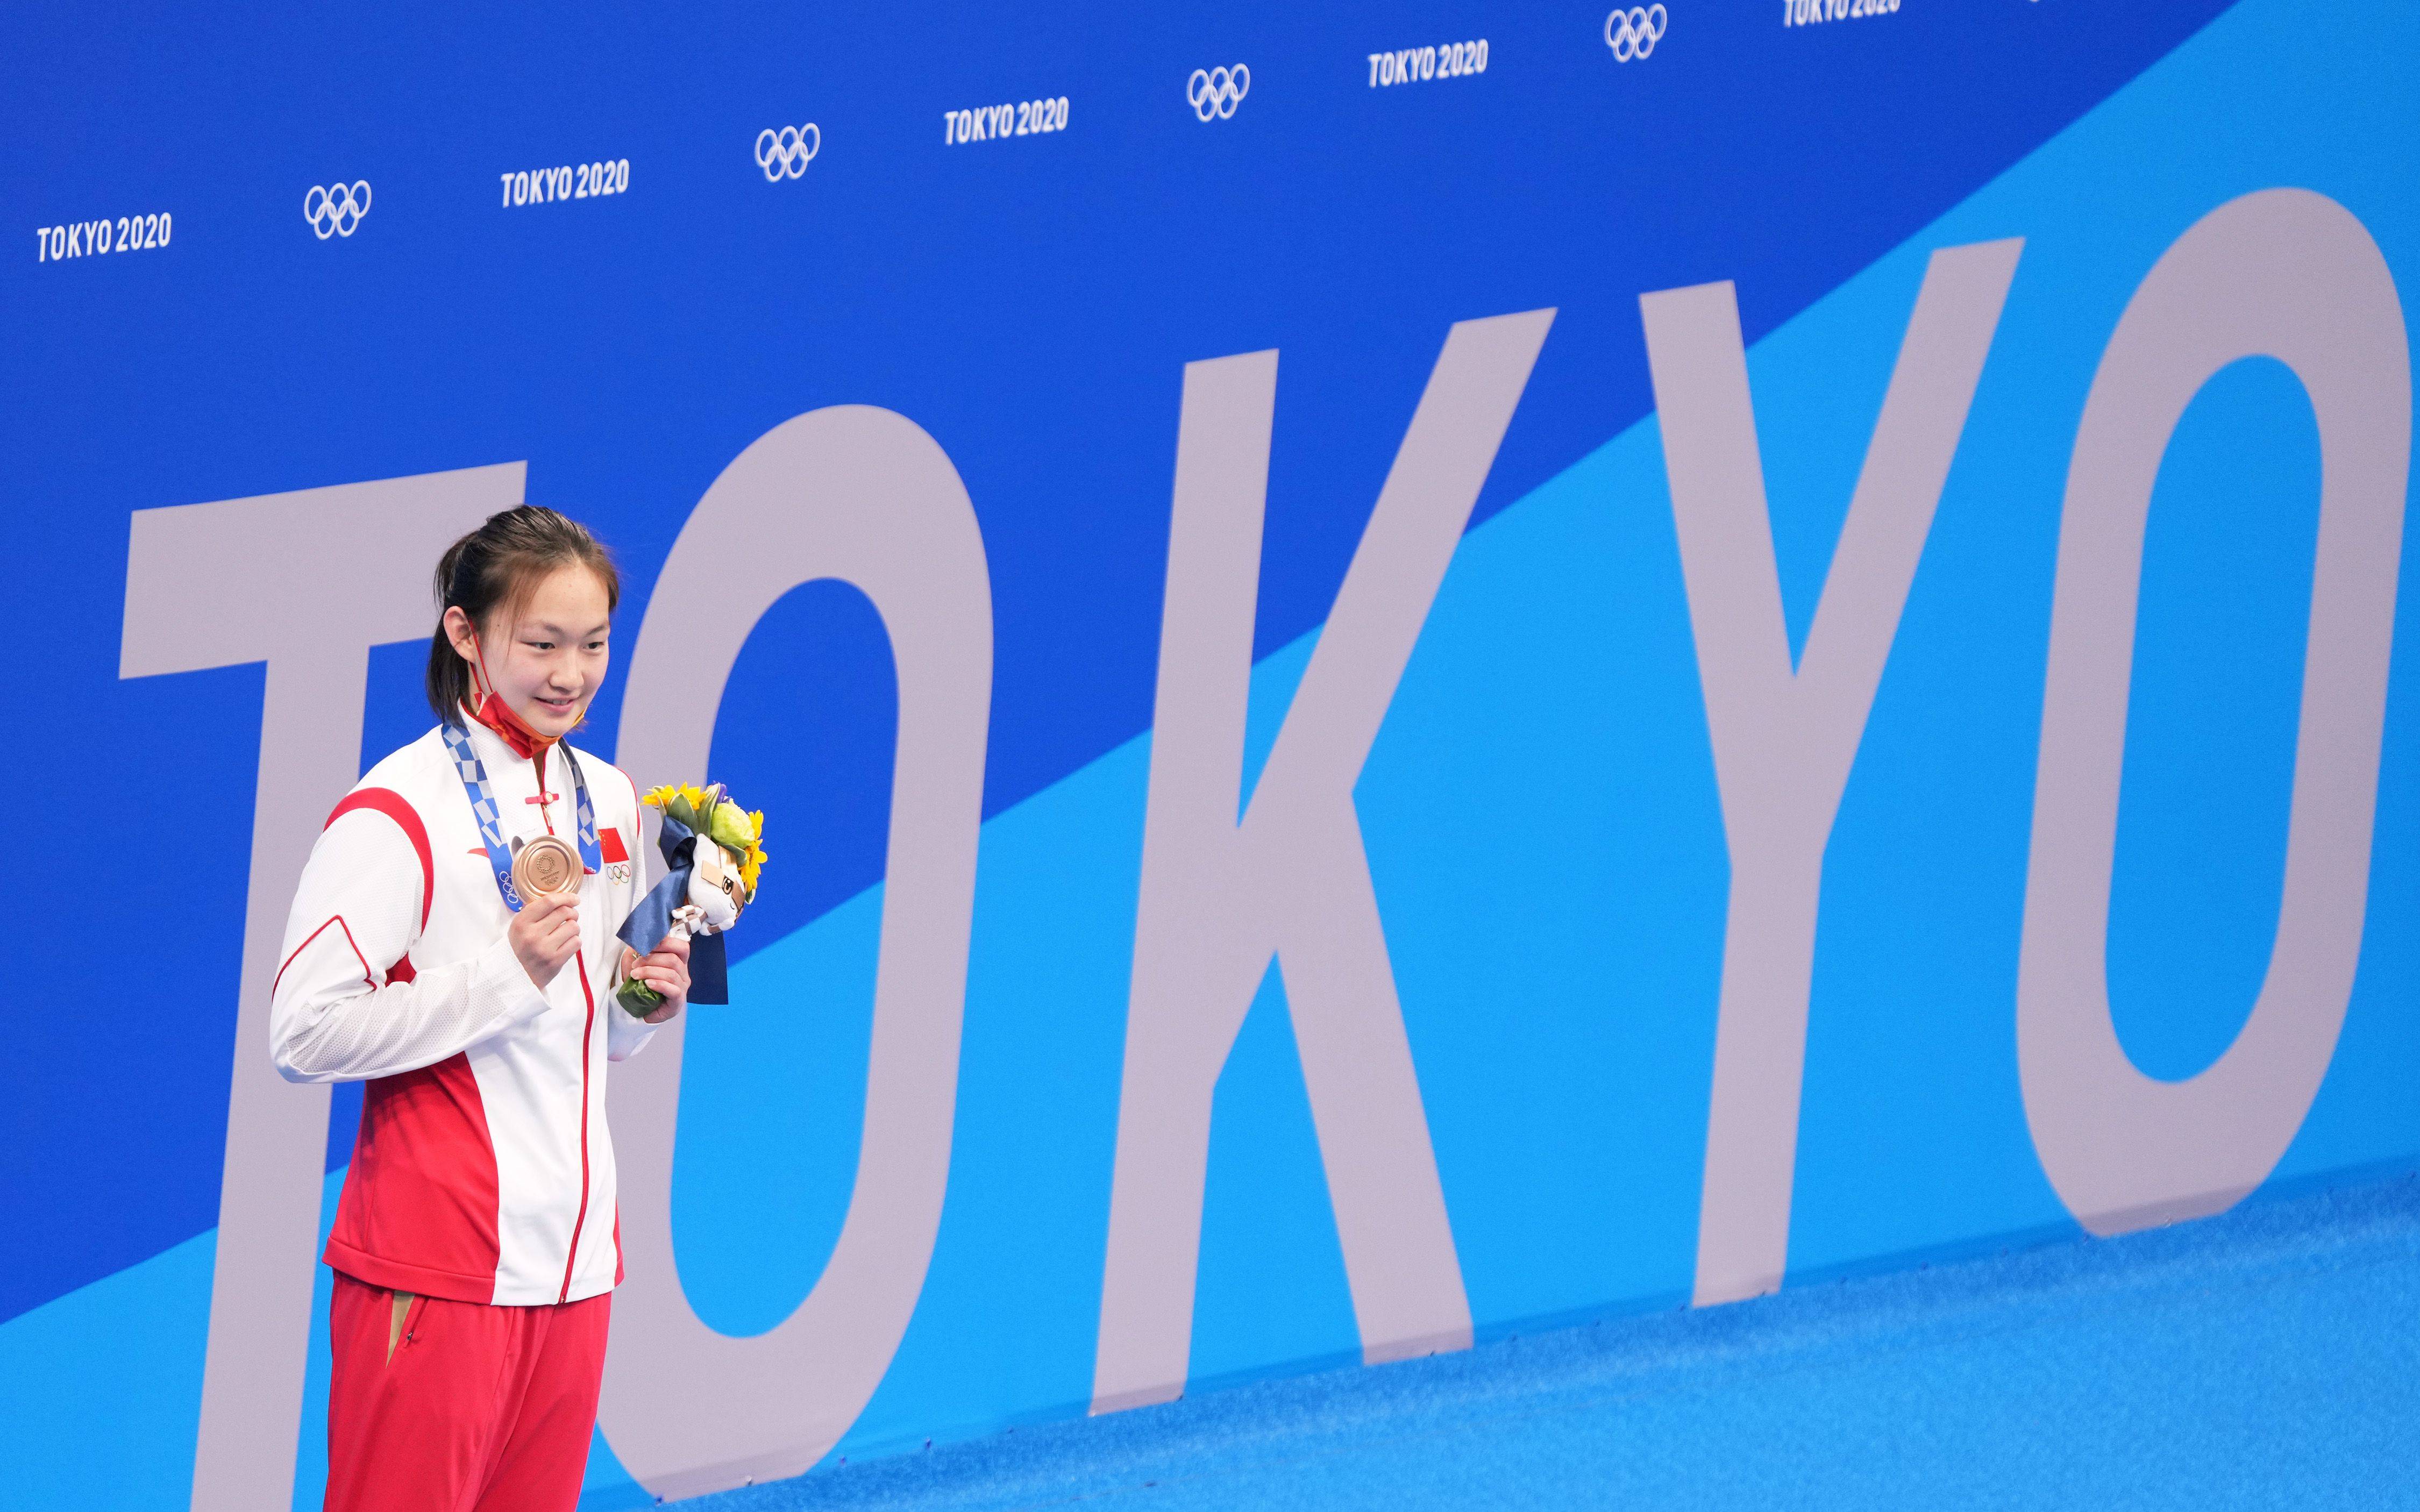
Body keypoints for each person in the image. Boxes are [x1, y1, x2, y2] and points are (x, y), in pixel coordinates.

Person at [269, 506, 690, 1512]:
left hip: (577, 1265)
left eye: (592, 645)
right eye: (541, 643)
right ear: (466, 635)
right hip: (435, 1267)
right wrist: (499, 976)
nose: (570, 673)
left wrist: (645, 996)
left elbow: (609, 1037)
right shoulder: (397, 810)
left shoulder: (616, 799)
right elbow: (300, 1032)